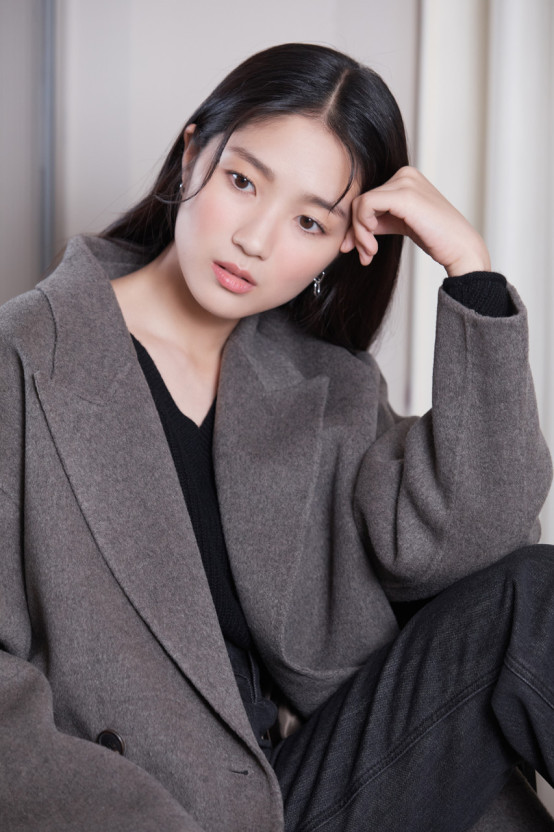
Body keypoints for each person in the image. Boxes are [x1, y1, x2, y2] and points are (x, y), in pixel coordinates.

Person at [0, 42, 552, 832]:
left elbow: (475, 541)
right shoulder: (25, 358)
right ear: (191, 155)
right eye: (242, 181)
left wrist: (470, 272)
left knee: (534, 595)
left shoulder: (325, 385)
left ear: (343, 248)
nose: (256, 240)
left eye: (308, 221)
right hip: (163, 811)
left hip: (327, 787)